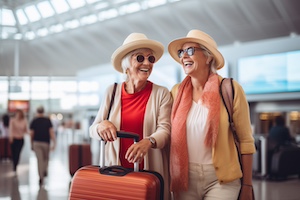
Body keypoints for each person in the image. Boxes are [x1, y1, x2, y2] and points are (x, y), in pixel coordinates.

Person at [168, 29, 256, 200]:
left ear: (208, 57)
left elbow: (246, 141)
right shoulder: (176, 92)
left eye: (191, 50)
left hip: (222, 180)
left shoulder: (230, 89)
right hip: (185, 179)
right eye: (181, 52)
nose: (184, 56)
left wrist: (247, 185)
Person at [89, 32, 172, 199]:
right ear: (127, 63)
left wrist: (149, 141)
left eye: (151, 59)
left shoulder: (161, 93)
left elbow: (166, 130)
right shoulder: (111, 91)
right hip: (115, 174)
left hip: (148, 176)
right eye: (140, 58)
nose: (147, 63)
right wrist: (101, 126)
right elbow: (93, 129)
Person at [30, 106, 56, 186]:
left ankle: (41, 176)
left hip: (36, 143)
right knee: (46, 159)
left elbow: (31, 134)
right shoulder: (47, 120)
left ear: (37, 111)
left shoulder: (34, 121)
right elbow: (51, 132)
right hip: (46, 143)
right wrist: (54, 142)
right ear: (43, 111)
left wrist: (31, 143)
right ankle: (44, 170)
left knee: (39, 160)